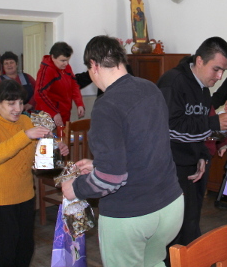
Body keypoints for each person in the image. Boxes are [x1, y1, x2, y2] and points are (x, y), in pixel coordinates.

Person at [61, 35, 183, 267]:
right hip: (170, 206)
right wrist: (97, 165)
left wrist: (75, 188)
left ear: (94, 65)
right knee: (153, 263)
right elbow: (145, 148)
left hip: (133, 214)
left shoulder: (106, 105)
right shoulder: (150, 88)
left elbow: (110, 179)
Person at [157, 37, 227, 250]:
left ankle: (192, 258)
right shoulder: (173, 82)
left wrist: (201, 153)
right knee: (174, 230)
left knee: (190, 223)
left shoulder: (203, 89)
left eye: (223, 71)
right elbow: (169, 128)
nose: (219, 77)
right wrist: (213, 123)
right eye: (216, 69)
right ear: (200, 61)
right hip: (170, 167)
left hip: (192, 165)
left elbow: (196, 129)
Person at [0, 79, 69, 267]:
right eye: (11, 103)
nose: (18, 108)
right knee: (4, 254)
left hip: (26, 195)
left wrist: (55, 148)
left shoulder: (25, 120)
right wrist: (25, 135)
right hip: (1, 200)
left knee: (24, 250)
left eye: (21, 103)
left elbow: (36, 154)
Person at [34, 41, 85, 127]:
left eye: (67, 60)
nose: (66, 63)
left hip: (63, 113)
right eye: (63, 60)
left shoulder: (66, 67)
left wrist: (79, 104)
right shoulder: (46, 70)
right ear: (53, 57)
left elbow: (74, 85)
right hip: (46, 116)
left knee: (64, 135)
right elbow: (39, 94)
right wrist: (54, 112)